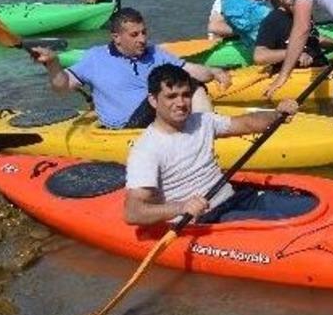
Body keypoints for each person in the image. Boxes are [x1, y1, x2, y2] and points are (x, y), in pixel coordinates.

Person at [125, 63, 317, 225]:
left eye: (185, 95)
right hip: (208, 218)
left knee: (310, 206)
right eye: (171, 96)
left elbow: (246, 123)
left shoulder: (201, 121)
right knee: (284, 221)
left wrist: (278, 114)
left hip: (236, 199)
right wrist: (182, 207)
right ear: (153, 100)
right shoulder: (146, 150)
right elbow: (133, 212)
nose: (181, 103)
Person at [29, 7, 230, 129]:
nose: (142, 39)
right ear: (116, 37)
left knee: (189, 82)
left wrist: (213, 71)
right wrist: (53, 64)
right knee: (189, 85)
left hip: (154, 118)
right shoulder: (95, 58)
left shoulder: (154, 53)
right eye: (134, 35)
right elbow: (62, 88)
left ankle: (206, 126)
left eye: (144, 32)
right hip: (128, 126)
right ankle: (208, 130)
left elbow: (191, 69)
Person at [253, 0, 333, 73]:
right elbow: (259, 56)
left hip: (322, 69)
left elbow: (314, 37)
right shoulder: (273, 21)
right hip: (297, 76)